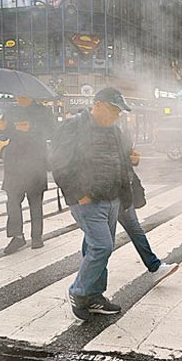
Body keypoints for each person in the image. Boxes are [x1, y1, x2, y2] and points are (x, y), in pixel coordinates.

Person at [50, 87, 132, 322]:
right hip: (88, 200)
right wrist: (78, 194)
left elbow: (121, 162)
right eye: (115, 110)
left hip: (111, 198)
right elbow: (59, 162)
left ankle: (94, 295)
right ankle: (79, 291)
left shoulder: (114, 130)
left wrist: (125, 193)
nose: (118, 115)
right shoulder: (73, 126)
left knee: (93, 247)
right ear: (98, 105)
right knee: (101, 247)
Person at [118, 123, 179, 283]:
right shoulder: (98, 131)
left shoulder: (119, 128)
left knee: (130, 230)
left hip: (123, 189)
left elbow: (124, 157)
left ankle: (155, 266)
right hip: (110, 191)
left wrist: (133, 159)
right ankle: (85, 285)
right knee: (100, 241)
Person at [0, 95, 55, 254]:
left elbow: (52, 132)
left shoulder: (43, 111)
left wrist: (32, 128)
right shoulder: (11, 110)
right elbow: (3, 135)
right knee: (13, 202)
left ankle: (37, 237)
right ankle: (17, 236)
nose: (19, 99)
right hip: (14, 163)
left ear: (30, 95)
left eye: (22, 96)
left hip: (35, 161)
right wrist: (1, 129)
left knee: (35, 202)